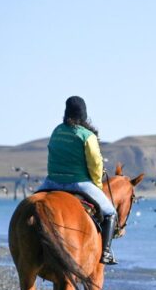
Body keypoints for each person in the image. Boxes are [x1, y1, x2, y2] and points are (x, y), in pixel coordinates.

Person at [38, 96, 119, 265]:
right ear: (84, 114)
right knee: (110, 212)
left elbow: (52, 154)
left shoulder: (57, 131)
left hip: (51, 181)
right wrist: (97, 185)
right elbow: (96, 164)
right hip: (78, 183)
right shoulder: (87, 136)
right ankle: (106, 252)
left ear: (66, 112)